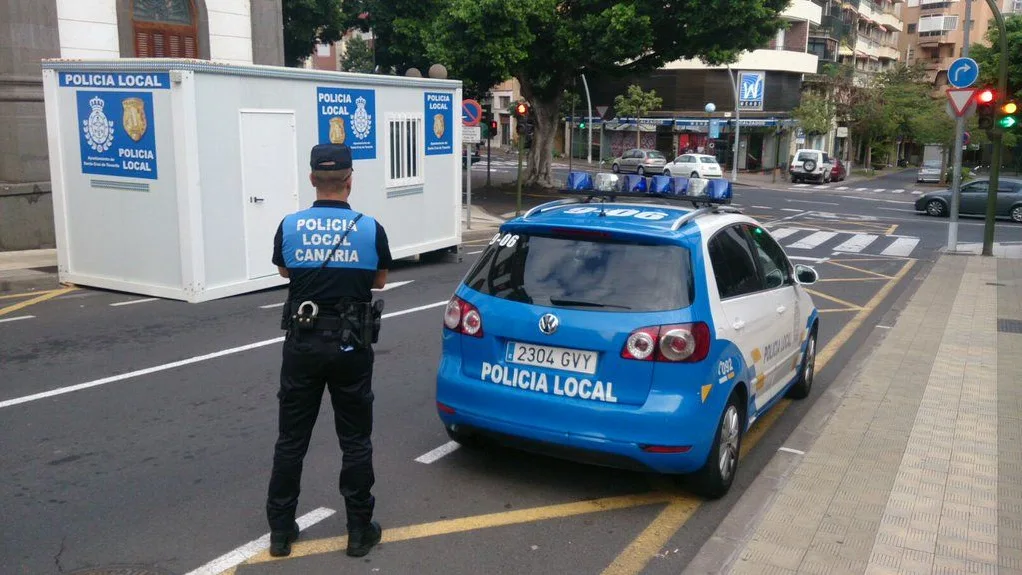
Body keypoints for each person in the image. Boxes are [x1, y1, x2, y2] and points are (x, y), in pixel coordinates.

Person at [265, 142, 391, 558]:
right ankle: (359, 529)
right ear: (350, 181)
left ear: (312, 179)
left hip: (302, 341)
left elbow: (286, 270)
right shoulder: (370, 228)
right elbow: (380, 282)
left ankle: (281, 532)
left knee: (291, 440)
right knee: (355, 439)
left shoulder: (291, 225)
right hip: (351, 344)